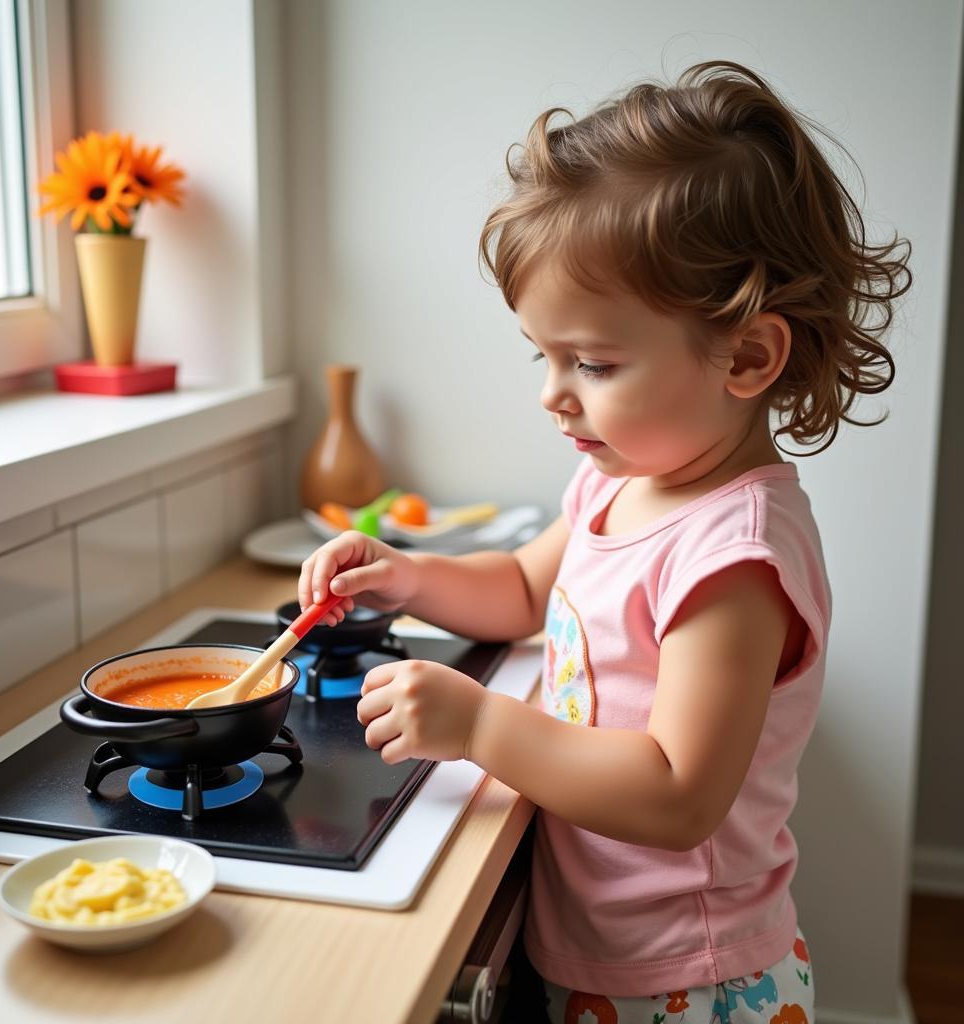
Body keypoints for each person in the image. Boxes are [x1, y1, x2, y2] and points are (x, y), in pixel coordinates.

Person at [297, 60, 911, 1023]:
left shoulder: (733, 557)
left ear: (747, 356)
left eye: (592, 361)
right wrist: (405, 578)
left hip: (692, 979)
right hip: (604, 953)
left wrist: (477, 727)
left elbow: (676, 794)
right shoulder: (616, 481)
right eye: (543, 356)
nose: (553, 392)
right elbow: (519, 588)